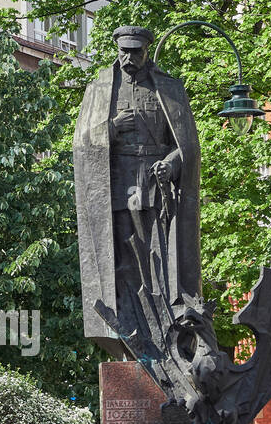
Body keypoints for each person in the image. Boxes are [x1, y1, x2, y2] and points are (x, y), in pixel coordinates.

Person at [73, 25, 202, 354]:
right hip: (116, 184)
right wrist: (112, 128)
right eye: (124, 51)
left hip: (155, 182)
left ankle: (163, 319)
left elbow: (186, 145)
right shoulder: (101, 88)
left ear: (147, 52)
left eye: (136, 51)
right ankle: (129, 320)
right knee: (124, 255)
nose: (129, 57)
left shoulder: (169, 89)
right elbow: (83, 143)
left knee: (156, 252)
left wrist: (172, 164)